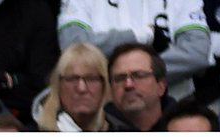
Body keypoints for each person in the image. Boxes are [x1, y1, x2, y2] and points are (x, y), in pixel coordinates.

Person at [58, 0, 212, 100]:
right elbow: (74, 46)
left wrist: (136, 78)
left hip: (174, 104)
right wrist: (140, 36)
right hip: (104, 106)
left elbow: (197, 54)